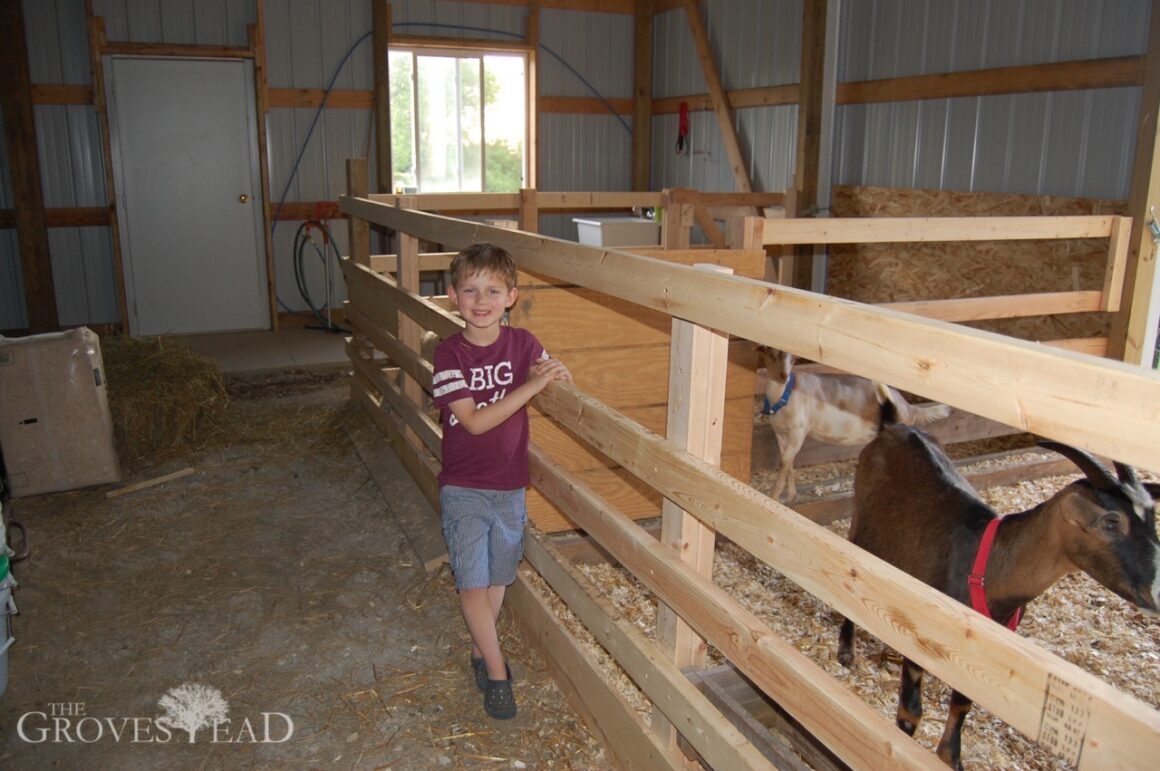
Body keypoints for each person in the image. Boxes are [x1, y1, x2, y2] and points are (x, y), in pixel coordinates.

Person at [431, 242, 571, 720]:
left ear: (511, 296)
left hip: (511, 484)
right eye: (470, 290)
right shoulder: (449, 354)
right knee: (472, 582)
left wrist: (555, 374)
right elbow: (472, 422)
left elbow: (555, 373)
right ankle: (496, 673)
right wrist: (531, 386)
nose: (481, 299)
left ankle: (478, 648)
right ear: (453, 296)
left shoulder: (525, 344)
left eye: (493, 290)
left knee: (497, 578)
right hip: (465, 485)